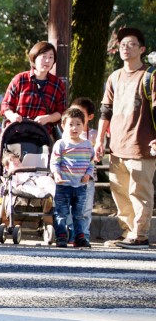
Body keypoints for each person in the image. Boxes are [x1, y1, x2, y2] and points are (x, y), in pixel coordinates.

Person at [95, 27, 156, 249]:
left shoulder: (150, 76)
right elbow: (105, 111)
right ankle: (128, 232)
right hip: (117, 146)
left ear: (142, 49)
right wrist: (100, 140)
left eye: (131, 44)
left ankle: (140, 235)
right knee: (120, 193)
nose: (125, 48)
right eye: (122, 44)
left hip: (143, 145)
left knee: (140, 192)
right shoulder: (114, 77)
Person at [0, 41, 67, 134]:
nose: (47, 60)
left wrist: (47, 118)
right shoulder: (20, 79)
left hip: (43, 134)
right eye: (44, 56)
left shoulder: (57, 84)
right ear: (34, 58)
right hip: (17, 131)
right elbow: (6, 105)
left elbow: (61, 111)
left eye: (51, 57)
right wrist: (12, 116)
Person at [50, 107, 94, 248]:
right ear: (63, 126)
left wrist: (88, 174)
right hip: (64, 185)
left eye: (78, 124)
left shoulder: (87, 145)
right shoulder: (61, 144)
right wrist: (56, 175)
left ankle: (79, 237)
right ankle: (61, 236)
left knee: (79, 214)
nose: (74, 128)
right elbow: (55, 162)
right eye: (70, 124)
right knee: (61, 213)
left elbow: (91, 163)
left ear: (84, 125)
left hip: (80, 186)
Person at [69, 96, 98, 244]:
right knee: (69, 207)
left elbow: (96, 156)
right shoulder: (66, 135)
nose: (76, 117)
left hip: (87, 178)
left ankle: (84, 234)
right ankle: (70, 233)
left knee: (85, 208)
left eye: (80, 114)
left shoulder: (93, 135)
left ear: (90, 117)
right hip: (69, 177)